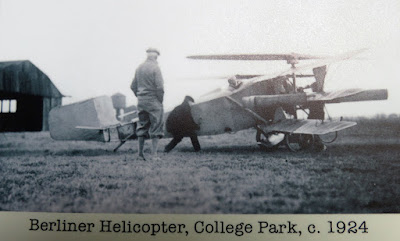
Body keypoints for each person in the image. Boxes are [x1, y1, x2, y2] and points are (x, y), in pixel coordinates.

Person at [131, 48, 164, 161]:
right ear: (155, 57)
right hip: (153, 100)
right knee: (156, 126)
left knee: (142, 126)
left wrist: (140, 96)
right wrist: (160, 101)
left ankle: (140, 155)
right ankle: (154, 155)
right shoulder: (156, 68)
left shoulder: (139, 68)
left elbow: (133, 86)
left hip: (141, 101)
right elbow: (160, 87)